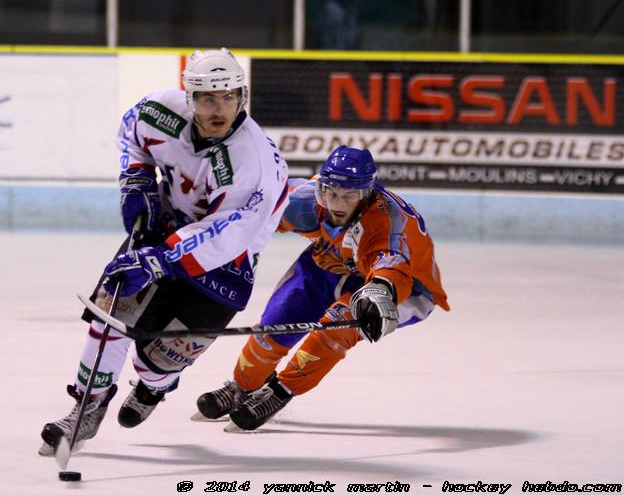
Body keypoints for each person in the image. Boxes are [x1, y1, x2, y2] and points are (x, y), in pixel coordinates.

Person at [39, 48, 289, 455]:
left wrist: (161, 260)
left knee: (157, 360)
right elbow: (132, 131)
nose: (219, 109)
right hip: (162, 229)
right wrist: (136, 179)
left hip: (225, 264)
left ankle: (154, 386)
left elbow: (229, 233)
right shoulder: (160, 110)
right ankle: (86, 407)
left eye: (228, 97)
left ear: (242, 96)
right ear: (190, 98)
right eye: (208, 98)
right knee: (110, 315)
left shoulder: (253, 160)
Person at [195, 146, 449, 431]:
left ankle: (281, 391)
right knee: (277, 323)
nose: (337, 203)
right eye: (331, 192)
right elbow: (254, 212)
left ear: (366, 194)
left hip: (404, 287)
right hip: (333, 261)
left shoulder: (386, 222)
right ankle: (243, 386)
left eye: (348, 195)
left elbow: (393, 267)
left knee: (339, 326)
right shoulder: (306, 201)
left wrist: (379, 292)